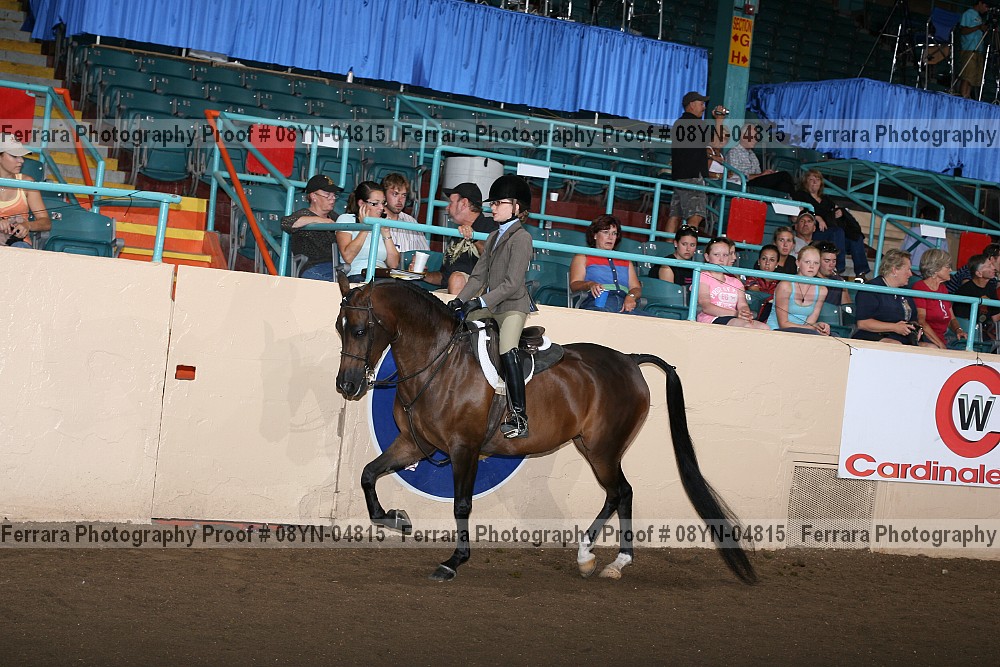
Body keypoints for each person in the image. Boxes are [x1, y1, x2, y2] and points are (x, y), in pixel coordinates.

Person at [449, 175, 534, 439]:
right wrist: (460, 300)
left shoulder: (522, 239)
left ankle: (519, 416)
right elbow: (478, 277)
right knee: (459, 326)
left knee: (507, 347)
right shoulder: (494, 235)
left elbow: (511, 284)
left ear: (516, 207)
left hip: (512, 307)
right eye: (493, 203)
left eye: (498, 203)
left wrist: (480, 301)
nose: (492, 208)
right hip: (491, 304)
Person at [666, 91, 727, 234]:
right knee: (696, 215)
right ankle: (688, 241)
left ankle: (669, 242)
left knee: (675, 214)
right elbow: (716, 143)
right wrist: (719, 120)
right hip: (693, 175)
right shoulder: (696, 124)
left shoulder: (679, 123)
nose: (704, 107)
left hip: (679, 174)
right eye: (701, 104)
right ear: (692, 105)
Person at [793, 169, 870, 280]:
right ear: (805, 182)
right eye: (811, 179)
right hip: (815, 232)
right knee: (837, 232)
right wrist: (817, 217)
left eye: (817, 179)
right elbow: (801, 213)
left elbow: (835, 209)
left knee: (855, 237)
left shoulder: (826, 199)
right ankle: (838, 268)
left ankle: (861, 273)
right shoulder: (801, 195)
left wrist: (840, 212)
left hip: (833, 234)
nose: (814, 182)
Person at [569, 214, 649, 315]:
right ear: (595, 235)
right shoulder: (583, 256)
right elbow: (574, 284)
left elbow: (636, 288)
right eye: (606, 232)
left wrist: (631, 296)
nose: (610, 237)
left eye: (614, 233)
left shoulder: (625, 259)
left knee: (656, 322)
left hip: (624, 304)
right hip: (598, 302)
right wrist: (590, 284)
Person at [428, 182, 497, 295]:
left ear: (464, 203)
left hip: (479, 291)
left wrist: (474, 237)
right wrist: (423, 274)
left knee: (457, 279)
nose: (447, 207)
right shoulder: (456, 234)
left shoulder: (490, 226)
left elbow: (495, 259)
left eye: (451, 202)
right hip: (449, 290)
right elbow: (444, 277)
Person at [695, 237, 769, 329]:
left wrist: (744, 312)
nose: (721, 259)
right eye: (716, 255)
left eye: (725, 255)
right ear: (707, 257)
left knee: (765, 328)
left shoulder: (736, 282)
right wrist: (736, 314)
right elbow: (706, 307)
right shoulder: (703, 276)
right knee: (746, 326)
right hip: (711, 319)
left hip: (734, 318)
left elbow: (743, 304)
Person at [852, 249, 923, 345]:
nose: (910, 274)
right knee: (895, 345)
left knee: (931, 348)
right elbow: (863, 323)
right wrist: (894, 327)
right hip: (873, 335)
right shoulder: (871, 289)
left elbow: (913, 319)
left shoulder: (905, 291)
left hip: (902, 337)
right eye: (908, 269)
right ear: (894, 270)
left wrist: (916, 328)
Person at [280, 174, 342, 281]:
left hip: (336, 266)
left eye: (334, 195)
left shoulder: (335, 217)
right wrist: (318, 219)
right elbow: (286, 223)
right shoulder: (303, 214)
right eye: (327, 195)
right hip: (312, 267)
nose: (332, 199)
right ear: (313, 196)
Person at [335, 181, 400, 281]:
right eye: (375, 204)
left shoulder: (381, 224)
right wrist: (364, 229)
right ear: (361, 204)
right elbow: (348, 257)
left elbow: (393, 264)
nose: (381, 208)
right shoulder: (347, 219)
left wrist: (386, 232)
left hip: (382, 276)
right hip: (358, 274)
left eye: (383, 203)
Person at [0, 134, 51, 248]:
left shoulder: (27, 183)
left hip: (18, 244)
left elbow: (46, 222)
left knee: (20, 247)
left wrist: (28, 225)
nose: (21, 160)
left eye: (21, 156)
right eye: (14, 156)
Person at [766, 246, 830, 335]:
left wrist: (819, 327)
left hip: (802, 334)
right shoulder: (785, 286)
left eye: (816, 263)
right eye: (807, 262)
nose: (812, 266)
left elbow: (810, 323)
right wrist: (814, 327)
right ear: (798, 263)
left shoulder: (822, 290)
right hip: (776, 332)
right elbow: (783, 324)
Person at [912, 249, 967, 349]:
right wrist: (940, 344)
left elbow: (951, 318)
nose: (950, 270)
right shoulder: (920, 288)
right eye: (947, 267)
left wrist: (958, 330)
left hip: (944, 338)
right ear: (935, 269)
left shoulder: (943, 288)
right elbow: (921, 321)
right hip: (928, 340)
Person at [724, 127, 795, 194]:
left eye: (756, 138)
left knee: (784, 185)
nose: (755, 140)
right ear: (743, 137)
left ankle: (790, 201)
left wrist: (765, 175)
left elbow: (758, 176)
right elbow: (733, 176)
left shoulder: (752, 155)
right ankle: (794, 200)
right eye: (752, 137)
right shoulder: (734, 152)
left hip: (755, 184)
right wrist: (761, 175)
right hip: (743, 185)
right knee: (784, 175)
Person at [380, 172, 429, 255]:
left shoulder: (412, 222)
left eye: (404, 195)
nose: (400, 200)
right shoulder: (376, 219)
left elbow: (425, 254)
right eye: (395, 194)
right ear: (384, 195)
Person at [953, 254, 1000, 338]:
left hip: (986, 333)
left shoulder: (990, 288)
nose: (993, 268)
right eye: (989, 266)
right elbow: (962, 321)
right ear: (979, 273)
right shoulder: (965, 291)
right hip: (968, 334)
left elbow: (996, 317)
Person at [958, 1, 989, 98]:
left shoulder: (979, 17)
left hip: (978, 49)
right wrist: (978, 27)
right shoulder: (968, 13)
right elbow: (963, 30)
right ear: (980, 3)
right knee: (967, 75)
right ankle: (963, 95)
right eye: (986, 6)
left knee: (973, 77)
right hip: (969, 48)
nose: (987, 9)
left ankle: (967, 95)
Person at [813, 240, 850, 305]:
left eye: (834, 261)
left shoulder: (839, 281)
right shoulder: (809, 280)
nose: (831, 265)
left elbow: (847, 307)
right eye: (827, 261)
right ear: (817, 261)